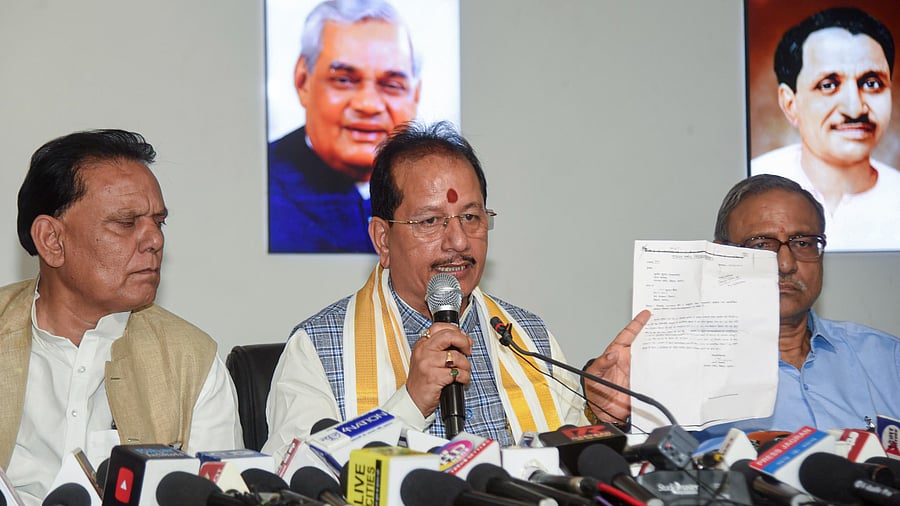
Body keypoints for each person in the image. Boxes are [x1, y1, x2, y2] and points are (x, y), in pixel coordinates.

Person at [263, 121, 646, 458]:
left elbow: (562, 455)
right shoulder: (316, 346)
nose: (459, 241)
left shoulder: (527, 336)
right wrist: (410, 402)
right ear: (382, 239)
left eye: (471, 217)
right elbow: (292, 476)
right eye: (431, 221)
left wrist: (597, 410)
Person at [1, 129, 242, 503]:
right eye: (126, 223)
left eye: (158, 223)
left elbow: (220, 495)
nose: (155, 241)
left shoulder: (191, 361)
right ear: (51, 239)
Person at [586, 174, 899, 434]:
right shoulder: (675, 371)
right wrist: (615, 418)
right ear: (722, 256)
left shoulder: (886, 359)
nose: (786, 263)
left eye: (803, 243)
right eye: (761, 244)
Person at [268, 0, 421, 253]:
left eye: (392, 85)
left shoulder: (432, 193)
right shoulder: (262, 188)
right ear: (303, 81)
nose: (368, 105)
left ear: (415, 96)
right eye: (344, 80)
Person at [751, 7, 900, 251]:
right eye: (828, 85)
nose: (855, 109)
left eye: (872, 83)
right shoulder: (752, 188)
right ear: (790, 103)